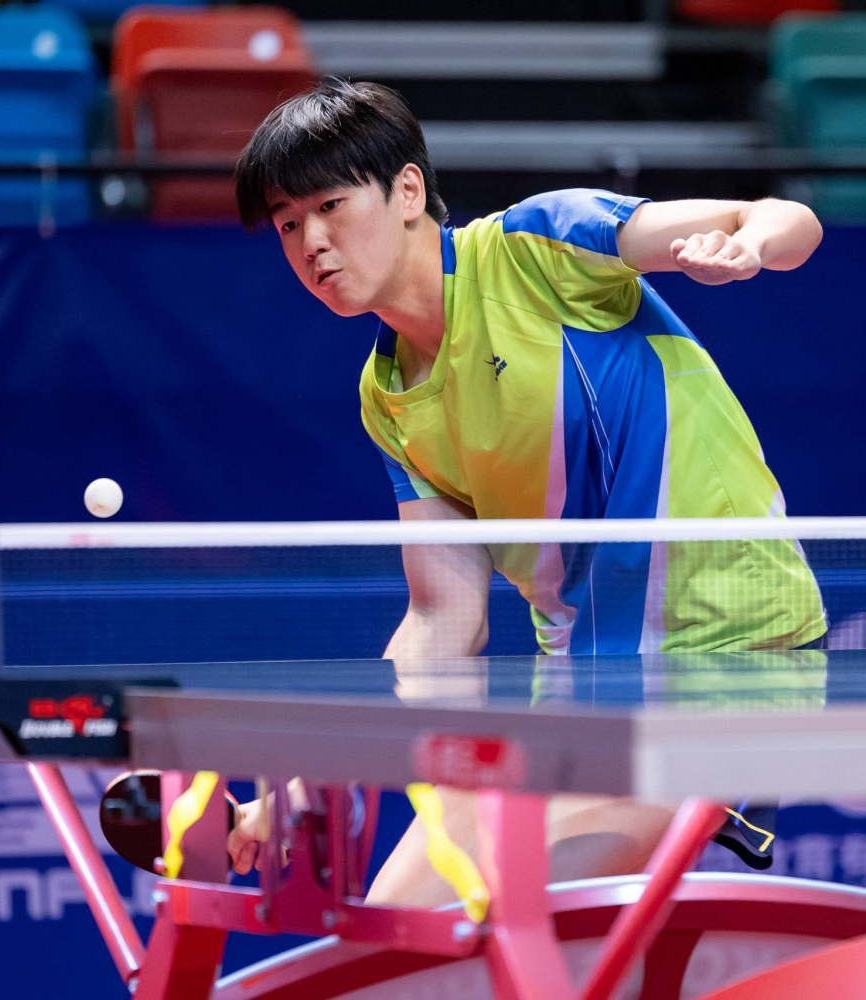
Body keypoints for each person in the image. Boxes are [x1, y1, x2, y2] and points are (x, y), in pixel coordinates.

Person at [228, 78, 827, 906]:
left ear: (408, 191)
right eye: (289, 224)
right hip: (581, 695)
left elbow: (785, 219)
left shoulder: (535, 247)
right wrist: (315, 775)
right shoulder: (387, 393)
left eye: (330, 205)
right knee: (393, 933)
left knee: (505, 918)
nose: (312, 243)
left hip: (731, 664)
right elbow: (444, 619)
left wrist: (750, 246)